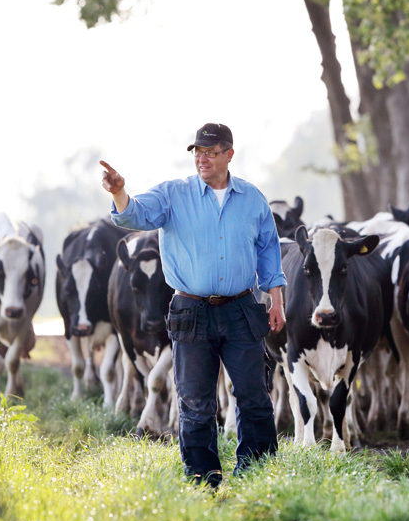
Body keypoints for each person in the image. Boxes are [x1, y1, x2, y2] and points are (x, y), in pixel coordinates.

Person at [100, 122, 287, 489]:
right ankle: (204, 479)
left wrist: (275, 297)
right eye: (198, 152)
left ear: (229, 154)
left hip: (241, 308)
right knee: (195, 400)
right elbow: (133, 215)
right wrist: (121, 193)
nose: (203, 158)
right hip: (190, 311)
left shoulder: (252, 198)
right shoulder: (173, 194)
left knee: (253, 396)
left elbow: (268, 248)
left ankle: (258, 474)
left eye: (211, 152)